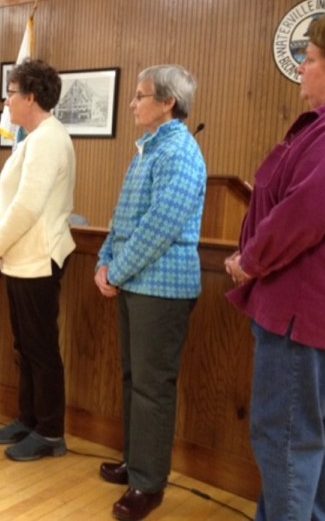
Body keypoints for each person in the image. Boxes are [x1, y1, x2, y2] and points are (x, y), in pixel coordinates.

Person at [224, 10, 325, 521]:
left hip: (305, 313)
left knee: (288, 440)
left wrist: (251, 260)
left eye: (308, 60)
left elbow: (306, 212)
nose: (301, 70)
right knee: (324, 433)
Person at [94, 65, 206, 521]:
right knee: (132, 380)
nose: (134, 104)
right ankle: (135, 460)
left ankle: (149, 482)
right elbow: (124, 217)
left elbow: (160, 226)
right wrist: (104, 258)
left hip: (162, 288)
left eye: (141, 96)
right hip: (136, 281)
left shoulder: (179, 151)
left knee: (152, 388)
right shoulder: (148, 149)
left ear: (168, 103)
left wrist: (116, 270)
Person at [0, 59, 75, 461]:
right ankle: (29, 419)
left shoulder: (49, 138)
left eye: (11, 93)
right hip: (20, 258)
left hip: (37, 258)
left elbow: (29, 205)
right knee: (25, 346)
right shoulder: (31, 137)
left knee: (40, 349)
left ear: (30, 97)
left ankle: (50, 432)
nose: (6, 101)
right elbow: (10, 201)